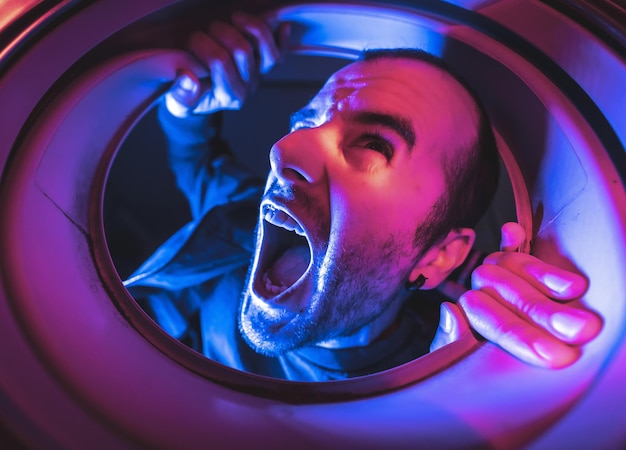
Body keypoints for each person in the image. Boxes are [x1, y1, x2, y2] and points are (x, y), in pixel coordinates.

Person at [124, 12, 602, 381]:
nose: (283, 149)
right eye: (305, 123)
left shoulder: (426, 387)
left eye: (375, 144)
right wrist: (189, 107)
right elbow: (198, 164)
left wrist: (464, 389)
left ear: (439, 256)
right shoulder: (238, 228)